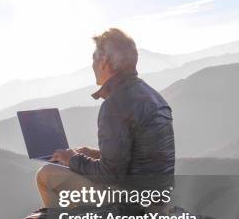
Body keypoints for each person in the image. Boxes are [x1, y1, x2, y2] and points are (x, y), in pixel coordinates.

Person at [36, 28, 175, 208]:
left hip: (132, 207)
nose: (92, 65)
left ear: (104, 61)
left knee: (46, 174)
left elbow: (110, 175)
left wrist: (71, 159)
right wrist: (92, 154)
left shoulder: (116, 104)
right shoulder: (154, 96)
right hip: (158, 203)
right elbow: (139, 158)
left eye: (94, 59)